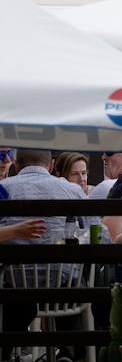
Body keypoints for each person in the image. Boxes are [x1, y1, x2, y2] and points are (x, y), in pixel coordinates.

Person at [0, 150, 91, 350]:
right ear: (50, 165)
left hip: (16, 286)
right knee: (73, 277)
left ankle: (6, 349)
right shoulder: (72, 191)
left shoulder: (3, 189)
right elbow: (98, 237)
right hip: (64, 290)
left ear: (16, 163)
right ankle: (70, 350)